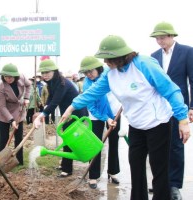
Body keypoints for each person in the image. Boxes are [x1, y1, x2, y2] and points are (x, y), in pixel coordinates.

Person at [60, 35, 190, 200]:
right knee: (136, 167)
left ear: (120, 56)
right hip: (136, 124)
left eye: (109, 58)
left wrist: (182, 119)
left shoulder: (144, 64)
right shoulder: (110, 73)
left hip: (157, 123)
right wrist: (72, 107)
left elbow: (171, 90)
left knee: (159, 170)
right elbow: (93, 93)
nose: (106, 62)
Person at [149, 21, 193, 199]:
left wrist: (191, 106)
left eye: (162, 38)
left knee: (176, 145)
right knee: (158, 145)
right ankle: (160, 182)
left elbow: (192, 80)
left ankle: (174, 185)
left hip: (178, 106)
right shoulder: (153, 57)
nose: (159, 42)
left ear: (171, 36)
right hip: (158, 108)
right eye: (157, 39)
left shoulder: (188, 52)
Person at [33, 59, 87, 177]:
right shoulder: (52, 82)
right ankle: (65, 164)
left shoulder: (62, 84)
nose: (45, 75)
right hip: (66, 113)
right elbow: (51, 99)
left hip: (76, 114)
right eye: (43, 73)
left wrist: (41, 116)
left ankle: (68, 169)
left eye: (47, 72)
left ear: (55, 71)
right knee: (67, 139)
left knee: (70, 140)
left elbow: (54, 103)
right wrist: (45, 107)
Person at [78, 56, 121, 189]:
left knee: (114, 142)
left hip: (114, 112)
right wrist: (105, 118)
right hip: (96, 116)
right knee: (94, 144)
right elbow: (91, 106)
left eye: (91, 71)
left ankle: (112, 172)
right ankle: (93, 175)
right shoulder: (87, 84)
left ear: (98, 68)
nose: (88, 75)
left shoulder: (110, 73)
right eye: (86, 73)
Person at [0, 63, 31, 165]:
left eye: (11, 77)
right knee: (4, 138)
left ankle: (19, 160)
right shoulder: (0, 87)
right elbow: (2, 107)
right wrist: (11, 120)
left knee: (19, 137)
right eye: (6, 76)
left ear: (15, 76)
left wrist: (26, 98)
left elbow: (29, 86)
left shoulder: (22, 77)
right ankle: (2, 161)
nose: (8, 79)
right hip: (4, 113)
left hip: (18, 110)